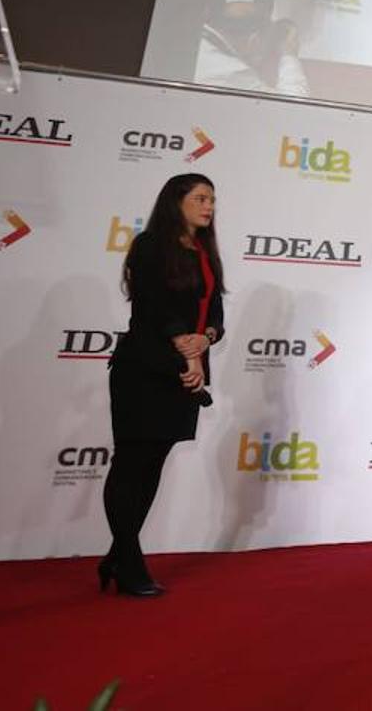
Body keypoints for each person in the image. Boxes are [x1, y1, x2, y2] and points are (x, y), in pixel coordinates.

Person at [101, 174, 225, 595]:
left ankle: (119, 556)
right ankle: (129, 562)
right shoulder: (150, 245)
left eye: (212, 199)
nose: (209, 206)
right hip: (146, 370)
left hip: (184, 374)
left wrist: (205, 338)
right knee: (131, 465)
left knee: (152, 466)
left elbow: (216, 316)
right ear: (177, 202)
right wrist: (187, 349)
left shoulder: (206, 252)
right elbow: (153, 305)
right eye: (200, 198)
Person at [196, 0, 310, 96]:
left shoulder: (195, 41)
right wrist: (289, 54)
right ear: (254, 40)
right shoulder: (231, 71)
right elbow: (292, 104)